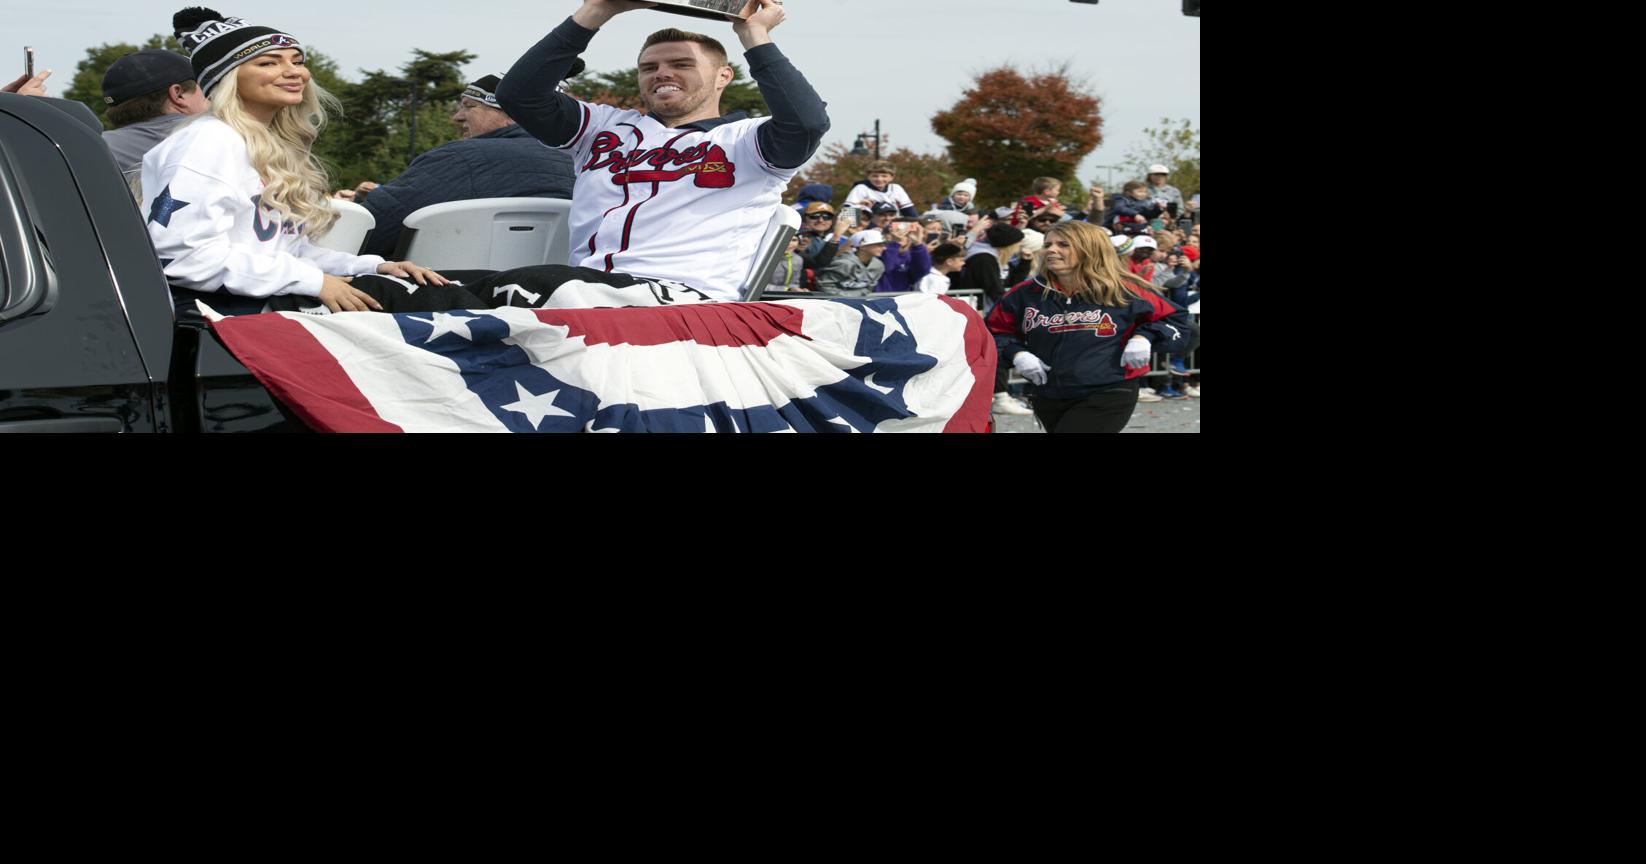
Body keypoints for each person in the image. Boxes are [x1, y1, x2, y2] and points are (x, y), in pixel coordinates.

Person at [145, 7, 483, 315]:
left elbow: (285, 256)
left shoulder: (271, 145)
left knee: (480, 284)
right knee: (461, 304)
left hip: (265, 301)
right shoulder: (209, 141)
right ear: (227, 78)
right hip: (225, 316)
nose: (294, 72)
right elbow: (180, 256)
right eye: (268, 62)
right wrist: (316, 282)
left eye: (297, 60)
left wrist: (370, 266)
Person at [494, 0, 829, 306]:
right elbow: (519, 95)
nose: (662, 73)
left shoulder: (746, 140)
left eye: (682, 64)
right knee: (450, 289)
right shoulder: (603, 127)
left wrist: (754, 34)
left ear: (723, 76)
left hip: (684, 299)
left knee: (510, 289)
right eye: (648, 67)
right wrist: (596, 10)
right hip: (586, 291)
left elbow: (807, 123)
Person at [335, 73, 578, 258]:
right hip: (555, 298)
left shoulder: (460, 158)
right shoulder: (586, 162)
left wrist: (353, 208)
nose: (457, 116)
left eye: (469, 106)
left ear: (513, 114)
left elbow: (371, 232)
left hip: (446, 301)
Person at [987, 220, 1197, 432]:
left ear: (1090, 249)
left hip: (1109, 389)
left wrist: (1144, 337)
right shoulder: (1023, 294)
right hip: (1047, 392)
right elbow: (992, 332)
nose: (1051, 250)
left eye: (1063, 245)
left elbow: (1176, 319)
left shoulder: (1126, 290)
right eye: (1048, 244)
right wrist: (1017, 354)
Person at [99, 49, 210, 179]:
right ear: (178, 94)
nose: (210, 96)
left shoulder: (92, 148)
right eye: (203, 87)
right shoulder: (221, 136)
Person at [815, 229, 885, 296]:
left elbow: (869, 287)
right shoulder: (844, 263)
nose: (884, 248)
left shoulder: (878, 265)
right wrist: (846, 297)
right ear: (862, 247)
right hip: (834, 302)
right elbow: (824, 284)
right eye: (878, 245)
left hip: (857, 302)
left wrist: (855, 296)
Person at [843, 160, 918, 217]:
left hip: (893, 226)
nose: (879, 179)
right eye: (875, 176)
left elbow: (910, 212)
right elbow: (847, 214)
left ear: (891, 177)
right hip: (868, 226)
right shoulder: (861, 188)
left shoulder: (896, 188)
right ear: (868, 176)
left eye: (884, 176)